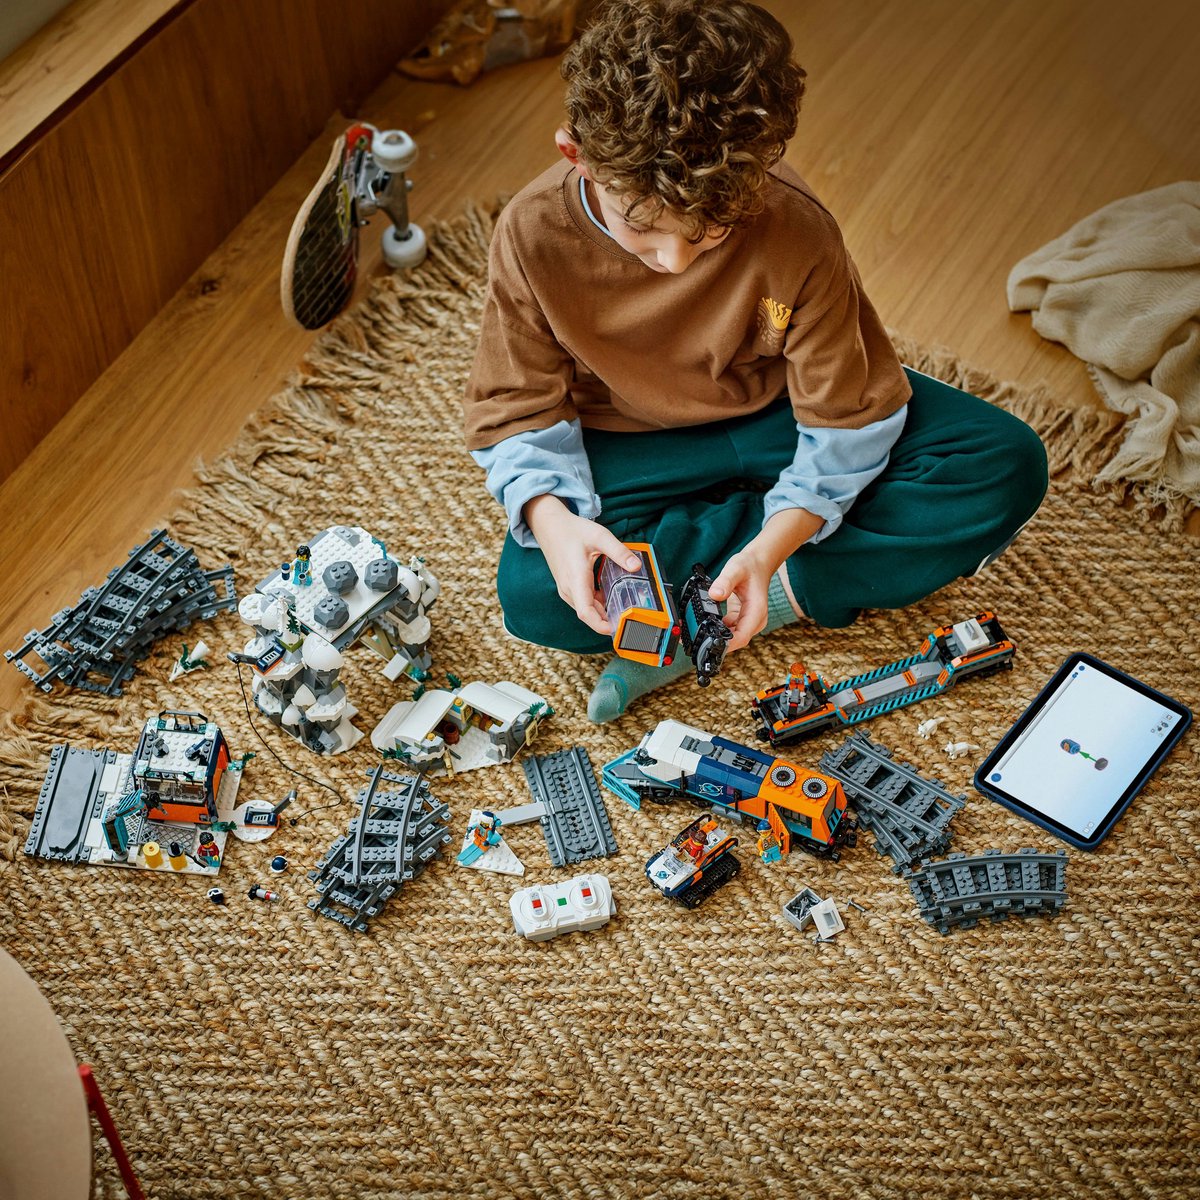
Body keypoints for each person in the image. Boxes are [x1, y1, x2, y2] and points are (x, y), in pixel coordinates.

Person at [463, 0, 1047, 722]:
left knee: (1007, 461)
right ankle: (799, 567)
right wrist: (556, 524)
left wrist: (773, 545)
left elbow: (847, 415)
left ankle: (748, 594)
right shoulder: (531, 232)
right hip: (632, 438)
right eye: (642, 229)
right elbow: (516, 408)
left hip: (782, 412)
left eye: (712, 233)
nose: (675, 262)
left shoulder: (796, 226)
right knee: (533, 595)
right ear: (574, 155)